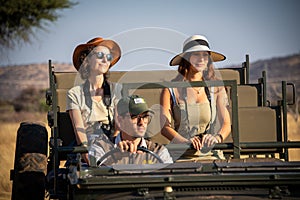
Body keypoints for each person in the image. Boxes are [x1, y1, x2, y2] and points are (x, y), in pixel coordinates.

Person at [160, 34, 231, 161]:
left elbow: (226, 123)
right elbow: (165, 128)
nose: (201, 59)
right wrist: (185, 142)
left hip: (211, 155)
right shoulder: (170, 90)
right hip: (181, 156)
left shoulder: (217, 88)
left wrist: (216, 138)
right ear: (186, 58)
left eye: (205, 55)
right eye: (196, 54)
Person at [66, 37, 121, 165]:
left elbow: (119, 126)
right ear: (87, 59)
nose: (105, 60)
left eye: (108, 57)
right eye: (100, 55)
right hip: (87, 144)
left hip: (111, 143)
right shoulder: (74, 94)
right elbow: (79, 128)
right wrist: (89, 158)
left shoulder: (117, 90)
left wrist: (114, 150)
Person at [89, 95, 173, 165]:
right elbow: (92, 173)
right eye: (135, 117)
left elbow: (170, 179)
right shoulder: (101, 147)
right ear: (120, 120)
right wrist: (114, 157)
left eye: (145, 116)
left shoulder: (158, 151)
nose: (141, 122)